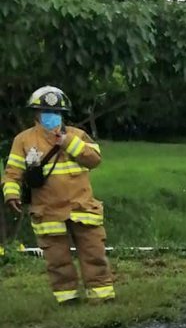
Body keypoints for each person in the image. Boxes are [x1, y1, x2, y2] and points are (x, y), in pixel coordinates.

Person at [2, 86, 114, 304]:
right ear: (35, 114)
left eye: (55, 113)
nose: (50, 117)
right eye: (44, 112)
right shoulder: (23, 141)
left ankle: (103, 297)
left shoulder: (77, 135)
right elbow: (13, 173)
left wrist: (68, 143)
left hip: (82, 208)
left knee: (94, 254)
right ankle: (67, 299)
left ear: (63, 115)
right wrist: (11, 195)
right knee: (57, 259)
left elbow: (94, 159)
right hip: (48, 212)